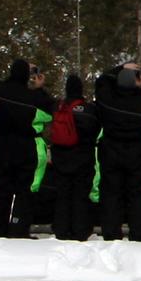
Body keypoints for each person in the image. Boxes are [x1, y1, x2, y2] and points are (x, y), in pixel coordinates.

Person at [92, 67, 141, 242]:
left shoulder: (107, 102)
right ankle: (138, 233)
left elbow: (101, 81)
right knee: (136, 195)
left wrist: (121, 69)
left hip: (111, 151)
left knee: (111, 194)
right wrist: (139, 88)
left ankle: (111, 232)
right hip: (137, 153)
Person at [0, 60, 42, 236]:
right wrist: (39, 88)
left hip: (3, 143)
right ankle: (19, 226)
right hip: (24, 144)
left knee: (2, 187)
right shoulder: (31, 96)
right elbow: (49, 108)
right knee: (23, 189)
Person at [43, 73, 95, 240]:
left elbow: (44, 102)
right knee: (80, 195)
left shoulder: (58, 107)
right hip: (83, 158)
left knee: (63, 195)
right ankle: (80, 230)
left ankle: (61, 228)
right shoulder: (88, 110)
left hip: (61, 158)